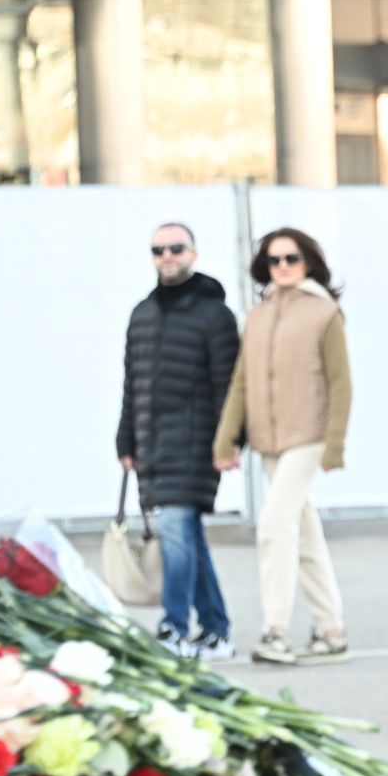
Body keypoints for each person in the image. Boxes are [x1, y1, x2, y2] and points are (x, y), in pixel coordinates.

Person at [213, 228, 354, 667]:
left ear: (308, 261)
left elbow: (341, 383)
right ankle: (331, 632)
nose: (283, 267)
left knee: (274, 526)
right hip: (268, 441)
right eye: (274, 260)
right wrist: (226, 439)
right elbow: (241, 381)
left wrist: (335, 445)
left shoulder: (324, 313)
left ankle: (275, 630)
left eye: (291, 258)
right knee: (304, 535)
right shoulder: (257, 315)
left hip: (309, 437)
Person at [116, 222, 240, 660]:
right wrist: (125, 439)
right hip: (152, 446)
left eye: (175, 248)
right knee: (185, 535)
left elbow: (230, 386)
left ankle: (173, 626)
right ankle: (217, 631)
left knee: (174, 528)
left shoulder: (215, 316)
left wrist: (231, 442)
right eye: (158, 250)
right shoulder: (142, 314)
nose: (166, 256)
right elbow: (132, 383)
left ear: (194, 253)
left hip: (198, 445)